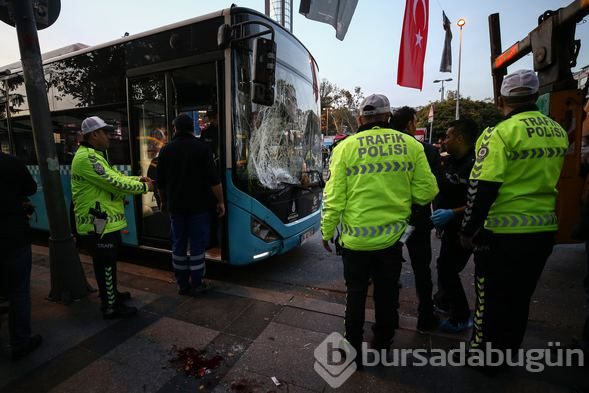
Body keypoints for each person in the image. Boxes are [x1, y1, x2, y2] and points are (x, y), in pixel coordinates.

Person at [459, 70, 568, 369]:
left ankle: (483, 359)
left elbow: (482, 187)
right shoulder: (557, 131)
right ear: (535, 96)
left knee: (489, 300)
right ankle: (506, 357)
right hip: (543, 230)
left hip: (501, 235)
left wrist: (467, 231)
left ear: (500, 100)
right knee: (520, 299)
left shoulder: (500, 133)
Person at [321, 94, 438, 367]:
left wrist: (327, 231)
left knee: (356, 295)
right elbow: (428, 191)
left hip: (355, 242)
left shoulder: (345, 147)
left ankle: (352, 349)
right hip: (392, 241)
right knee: (387, 295)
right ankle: (383, 343)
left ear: (361, 119)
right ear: (388, 116)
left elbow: (334, 196)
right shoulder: (411, 145)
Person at [72, 116, 154, 319]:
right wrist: (144, 186)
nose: (110, 136)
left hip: (104, 222)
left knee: (108, 263)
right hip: (98, 224)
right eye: (105, 132)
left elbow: (115, 176)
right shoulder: (87, 158)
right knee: (105, 264)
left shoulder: (96, 154)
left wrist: (137, 178)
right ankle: (110, 306)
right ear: (94, 135)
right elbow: (114, 183)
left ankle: (112, 295)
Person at [157, 113, 225, 296]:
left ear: (175, 128)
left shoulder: (165, 150)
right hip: (199, 208)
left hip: (176, 207)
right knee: (197, 246)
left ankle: (181, 283)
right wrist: (220, 201)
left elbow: (160, 183)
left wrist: (164, 202)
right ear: (192, 128)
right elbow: (214, 180)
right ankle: (196, 283)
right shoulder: (202, 148)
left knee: (178, 244)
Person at [389, 106, 441, 331]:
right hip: (417, 217)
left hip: (391, 217)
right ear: (411, 124)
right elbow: (433, 188)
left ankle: (390, 317)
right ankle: (426, 315)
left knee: (389, 269)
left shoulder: (384, 148)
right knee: (422, 269)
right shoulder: (426, 150)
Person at [430, 119, 478, 333]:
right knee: (444, 264)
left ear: (460, 137)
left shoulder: (476, 164)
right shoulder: (451, 161)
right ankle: (443, 301)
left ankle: (461, 316)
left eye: (448, 136)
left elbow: (480, 200)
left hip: (466, 227)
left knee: (448, 269)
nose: (444, 141)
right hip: (449, 227)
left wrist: (452, 213)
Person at [0, 152, 42, 360]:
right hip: (12, 237)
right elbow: (30, 188)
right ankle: (20, 341)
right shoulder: (10, 163)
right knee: (18, 291)